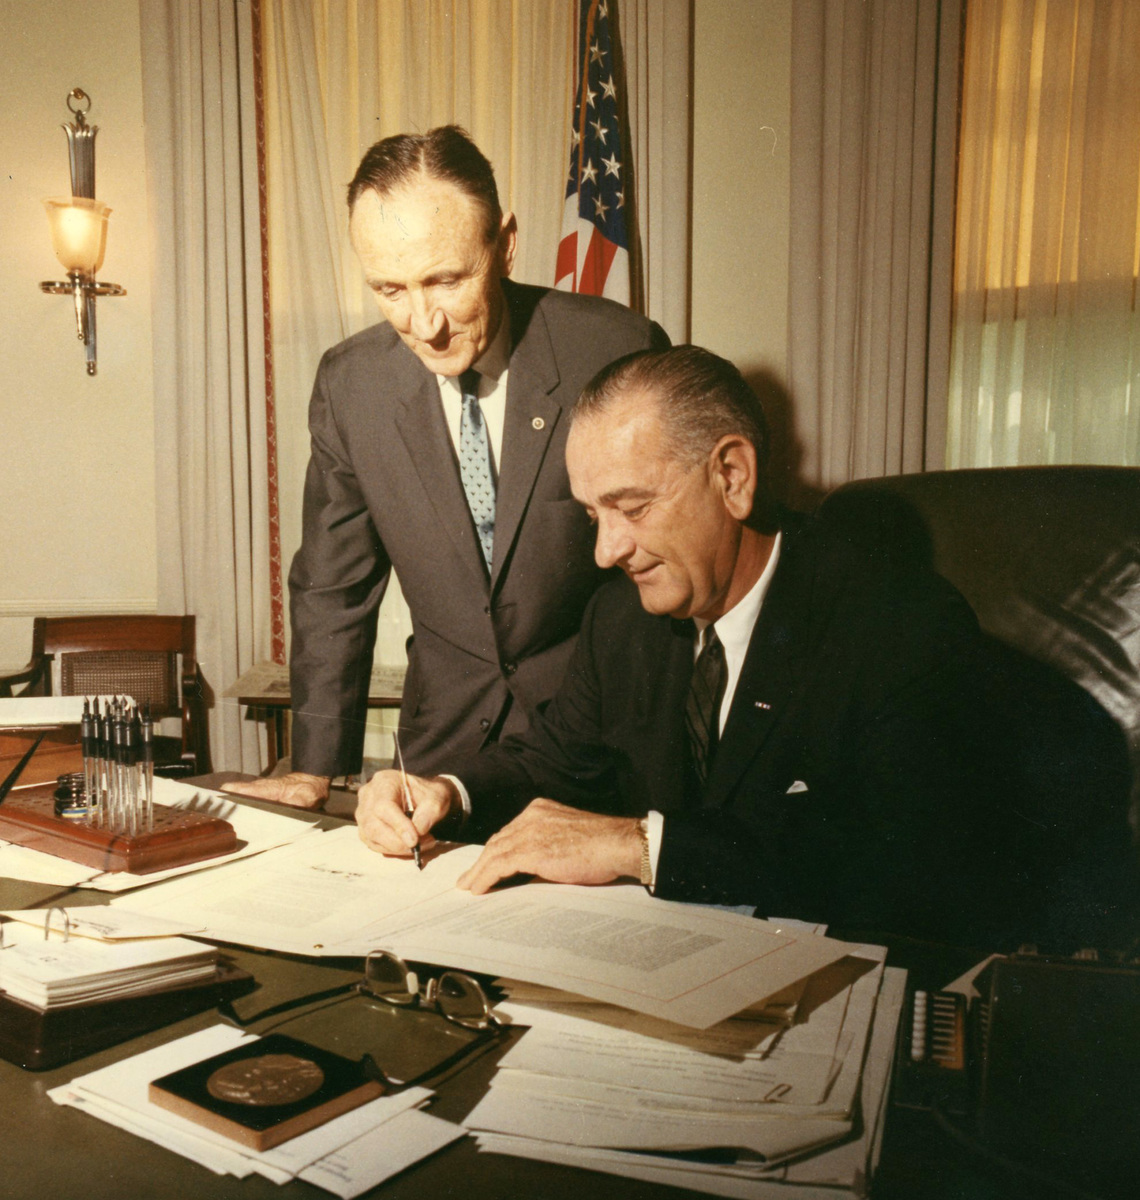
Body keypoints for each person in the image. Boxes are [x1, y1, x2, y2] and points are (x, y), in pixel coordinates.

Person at [356, 345, 1136, 946]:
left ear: (732, 475)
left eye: (630, 506)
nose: (606, 550)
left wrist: (640, 844)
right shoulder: (620, 622)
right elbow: (552, 762)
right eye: (594, 515)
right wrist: (446, 794)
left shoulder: (895, 620)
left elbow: (904, 849)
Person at [227, 127, 666, 811]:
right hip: (439, 762)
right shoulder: (352, 387)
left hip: (596, 754)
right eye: (389, 288)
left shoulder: (614, 351)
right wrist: (316, 766)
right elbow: (332, 587)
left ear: (506, 244)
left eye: (445, 280)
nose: (424, 323)